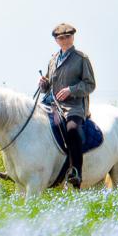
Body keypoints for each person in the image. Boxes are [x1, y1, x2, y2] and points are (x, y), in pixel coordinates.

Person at [39, 23, 96, 188]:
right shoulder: (53, 59)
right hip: (53, 104)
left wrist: (71, 90)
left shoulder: (81, 59)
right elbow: (48, 86)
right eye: (61, 38)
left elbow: (90, 84)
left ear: (72, 37)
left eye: (67, 37)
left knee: (71, 129)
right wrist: (43, 84)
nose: (64, 40)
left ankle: (76, 171)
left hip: (74, 106)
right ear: (56, 40)